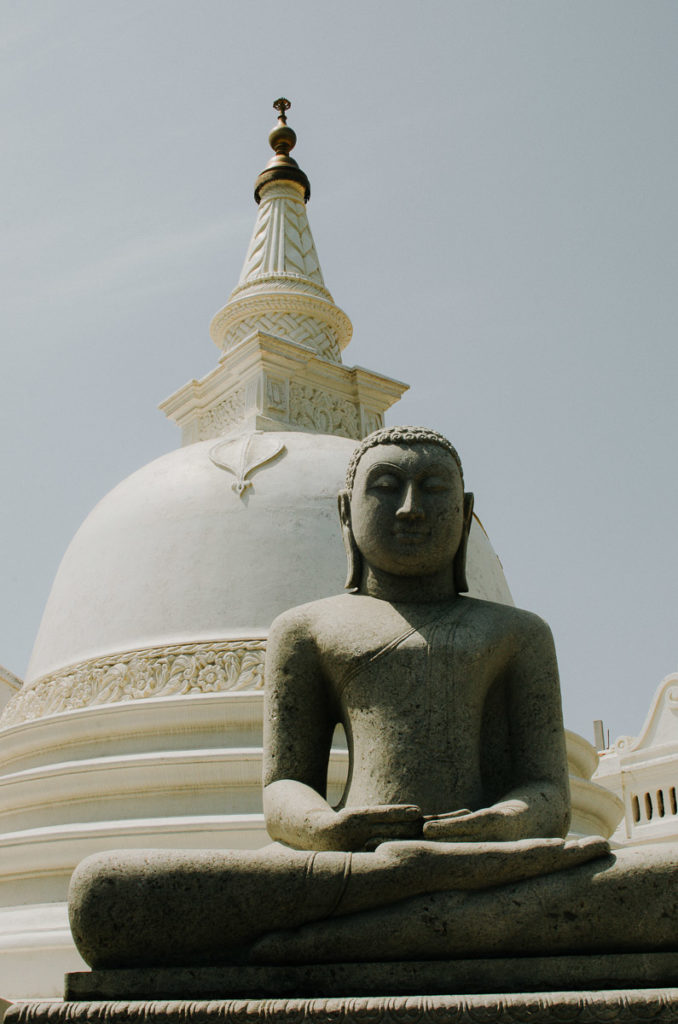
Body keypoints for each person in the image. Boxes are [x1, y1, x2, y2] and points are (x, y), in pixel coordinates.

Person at [68, 427, 676, 970]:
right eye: (386, 487)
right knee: (107, 894)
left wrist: (499, 824)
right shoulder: (305, 630)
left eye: (433, 489)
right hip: (355, 865)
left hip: (486, 862)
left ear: (465, 515)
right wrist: (328, 830)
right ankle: (434, 920)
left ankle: (340, 936)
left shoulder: (517, 634)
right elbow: (284, 789)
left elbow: (548, 794)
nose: (411, 509)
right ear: (345, 512)